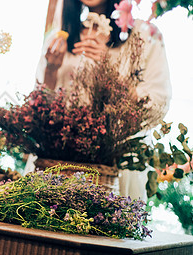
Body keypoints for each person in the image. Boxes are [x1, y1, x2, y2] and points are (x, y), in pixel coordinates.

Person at [26, 0, 172, 202]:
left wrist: (111, 73)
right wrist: (51, 71)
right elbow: (40, 111)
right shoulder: (59, 37)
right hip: (56, 166)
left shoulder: (145, 36)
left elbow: (157, 104)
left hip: (113, 171)